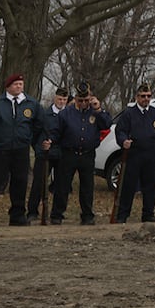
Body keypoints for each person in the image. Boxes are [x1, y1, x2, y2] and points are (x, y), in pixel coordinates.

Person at [0, 73, 48, 227]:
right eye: (15, 84)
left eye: (21, 84)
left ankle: (17, 215)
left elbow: (41, 126)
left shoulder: (32, 104)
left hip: (20, 151)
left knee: (20, 183)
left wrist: (34, 140)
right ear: (8, 86)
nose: (19, 87)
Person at [50, 82, 109, 225]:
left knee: (87, 187)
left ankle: (87, 215)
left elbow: (107, 124)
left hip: (87, 154)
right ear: (75, 98)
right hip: (69, 153)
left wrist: (98, 109)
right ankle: (57, 214)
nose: (83, 103)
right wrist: (50, 142)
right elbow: (56, 132)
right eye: (80, 100)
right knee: (62, 186)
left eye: (86, 100)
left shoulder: (95, 112)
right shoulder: (66, 113)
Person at [114, 83, 155, 223]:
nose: (146, 99)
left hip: (150, 153)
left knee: (149, 185)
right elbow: (120, 131)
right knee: (128, 185)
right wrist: (124, 141)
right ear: (137, 97)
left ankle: (148, 214)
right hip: (133, 153)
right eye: (143, 96)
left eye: (148, 96)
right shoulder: (129, 113)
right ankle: (123, 215)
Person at [28, 85, 69, 222]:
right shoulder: (44, 115)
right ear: (55, 98)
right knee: (38, 184)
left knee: (62, 185)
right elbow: (35, 134)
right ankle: (32, 211)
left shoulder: (69, 115)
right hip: (45, 154)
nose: (62, 102)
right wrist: (39, 148)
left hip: (62, 155)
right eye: (60, 99)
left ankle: (57, 213)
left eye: (64, 99)